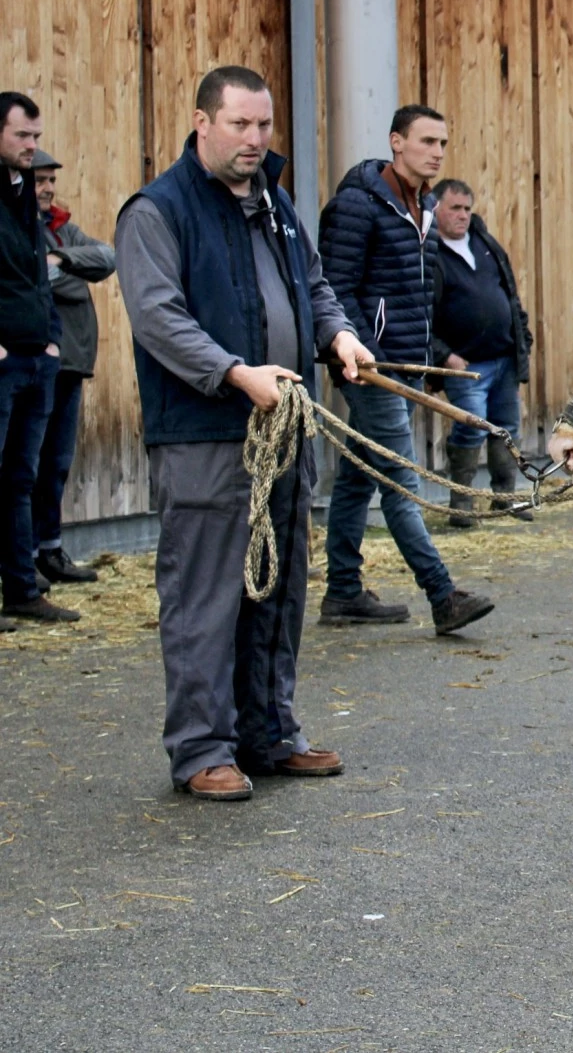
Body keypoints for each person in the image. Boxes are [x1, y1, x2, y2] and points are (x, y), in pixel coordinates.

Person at [114, 65, 375, 800]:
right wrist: (235, 373)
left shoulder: (276, 203)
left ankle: (268, 731)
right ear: (202, 122)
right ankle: (201, 747)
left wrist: (340, 336)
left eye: (263, 125)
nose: (255, 139)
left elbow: (313, 286)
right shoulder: (158, 211)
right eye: (240, 124)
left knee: (278, 585)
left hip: (282, 433)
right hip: (204, 435)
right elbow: (159, 317)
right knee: (204, 595)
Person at [318, 105, 493, 634]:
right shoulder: (356, 206)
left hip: (408, 364)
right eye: (426, 141)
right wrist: (361, 351)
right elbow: (333, 287)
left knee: (357, 478)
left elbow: (420, 296)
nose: (437, 151)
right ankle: (442, 594)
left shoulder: (425, 207)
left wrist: (431, 358)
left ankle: (343, 591)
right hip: (370, 367)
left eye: (443, 142)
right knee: (401, 477)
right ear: (396, 142)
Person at [33, 147, 117, 586]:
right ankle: (24, 557)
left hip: (71, 362)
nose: (47, 188)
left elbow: (106, 258)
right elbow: (32, 279)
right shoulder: (20, 228)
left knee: (57, 461)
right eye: (38, 180)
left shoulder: (62, 229)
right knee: (28, 463)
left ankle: (49, 549)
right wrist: (68, 276)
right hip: (37, 361)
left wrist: (63, 260)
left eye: (50, 180)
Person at [427, 178, 532, 528]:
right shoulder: (428, 253)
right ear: (436, 208)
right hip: (465, 364)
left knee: (506, 429)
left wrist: (522, 337)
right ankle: (462, 505)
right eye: (455, 208)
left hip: (503, 358)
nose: (463, 216)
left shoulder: (485, 243)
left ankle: (506, 500)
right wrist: (443, 356)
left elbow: (510, 292)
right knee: (470, 429)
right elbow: (420, 315)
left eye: (467, 209)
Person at [0, 92, 67, 630]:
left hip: (34, 357)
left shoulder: (22, 191)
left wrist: (49, 338)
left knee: (22, 479)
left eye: (36, 137)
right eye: (24, 136)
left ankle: (21, 589)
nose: (33, 146)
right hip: (3, 362)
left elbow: (35, 269)